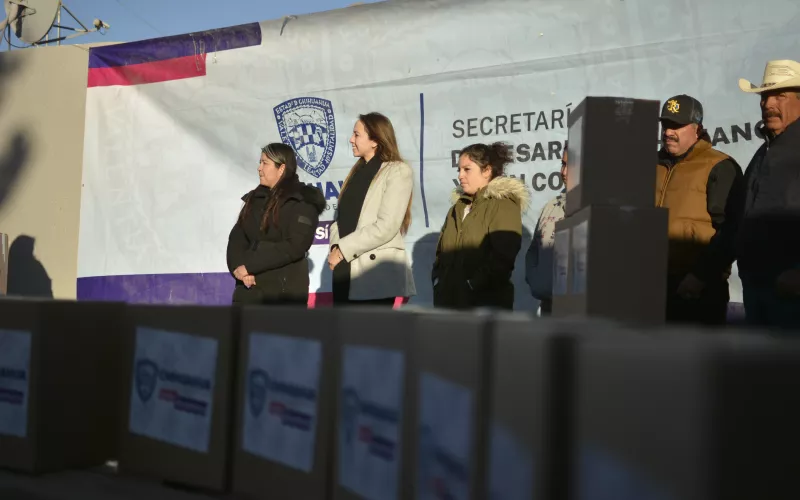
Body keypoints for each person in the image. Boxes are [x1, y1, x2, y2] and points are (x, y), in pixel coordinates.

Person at [655, 94, 744, 326]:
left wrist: (701, 276)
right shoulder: (650, 164)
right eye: (665, 125)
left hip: (698, 291)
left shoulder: (720, 166)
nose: (668, 132)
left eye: (676, 126)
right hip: (652, 289)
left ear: (697, 128)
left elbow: (732, 230)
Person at [736, 59, 800, 331]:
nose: (768, 104)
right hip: (758, 291)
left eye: (779, 95)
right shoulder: (762, 153)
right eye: (764, 96)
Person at [327, 112, 416, 306]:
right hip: (345, 268)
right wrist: (335, 247)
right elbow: (339, 220)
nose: (351, 140)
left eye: (357, 134)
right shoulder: (355, 173)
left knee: (369, 326)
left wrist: (342, 249)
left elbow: (387, 226)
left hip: (373, 274)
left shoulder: (397, 171)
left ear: (375, 140)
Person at [432, 142, 529, 310]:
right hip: (448, 304)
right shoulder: (457, 207)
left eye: (467, 169)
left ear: (487, 171)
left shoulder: (503, 204)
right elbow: (442, 251)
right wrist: (439, 282)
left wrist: (472, 284)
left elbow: (503, 257)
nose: (460, 176)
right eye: (459, 170)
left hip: (484, 305)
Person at [226, 143, 325, 305]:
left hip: (283, 294)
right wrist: (239, 269)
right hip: (249, 291)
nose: (259, 168)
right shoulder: (255, 199)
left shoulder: (302, 201)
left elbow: (296, 245)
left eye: (265, 163)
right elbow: (237, 239)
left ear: (281, 168)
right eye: (260, 162)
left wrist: (250, 266)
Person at [525, 142, 568, 316]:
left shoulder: (595, 208)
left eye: (571, 165)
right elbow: (533, 250)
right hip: (548, 308)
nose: (564, 172)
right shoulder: (551, 206)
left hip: (581, 312)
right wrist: (537, 281)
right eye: (563, 164)